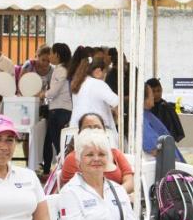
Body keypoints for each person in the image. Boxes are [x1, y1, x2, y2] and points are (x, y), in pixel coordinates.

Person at [59, 113, 134, 194]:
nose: (93, 131)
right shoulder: (73, 158)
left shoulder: (115, 153)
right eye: (87, 128)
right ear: (79, 133)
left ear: (104, 131)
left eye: (97, 127)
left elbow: (130, 182)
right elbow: (71, 191)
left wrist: (115, 196)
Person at [42, 43, 72, 174]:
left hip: (59, 110)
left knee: (59, 145)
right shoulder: (64, 69)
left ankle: (64, 171)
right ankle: (49, 169)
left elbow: (54, 92)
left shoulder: (60, 70)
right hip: (60, 110)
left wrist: (43, 94)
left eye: (51, 53)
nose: (49, 56)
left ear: (57, 55)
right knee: (53, 141)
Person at [69, 58, 119, 130]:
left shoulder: (78, 84)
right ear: (98, 71)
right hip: (96, 130)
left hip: (76, 130)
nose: (104, 77)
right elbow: (117, 103)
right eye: (105, 73)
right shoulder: (98, 84)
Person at [142, 83, 185, 162]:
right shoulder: (142, 119)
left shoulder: (147, 115)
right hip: (167, 163)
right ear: (145, 98)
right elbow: (154, 149)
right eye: (152, 93)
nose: (154, 96)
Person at [145, 78, 185, 143]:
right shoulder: (144, 109)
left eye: (158, 90)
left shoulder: (167, 108)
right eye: (153, 91)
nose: (157, 94)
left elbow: (174, 132)